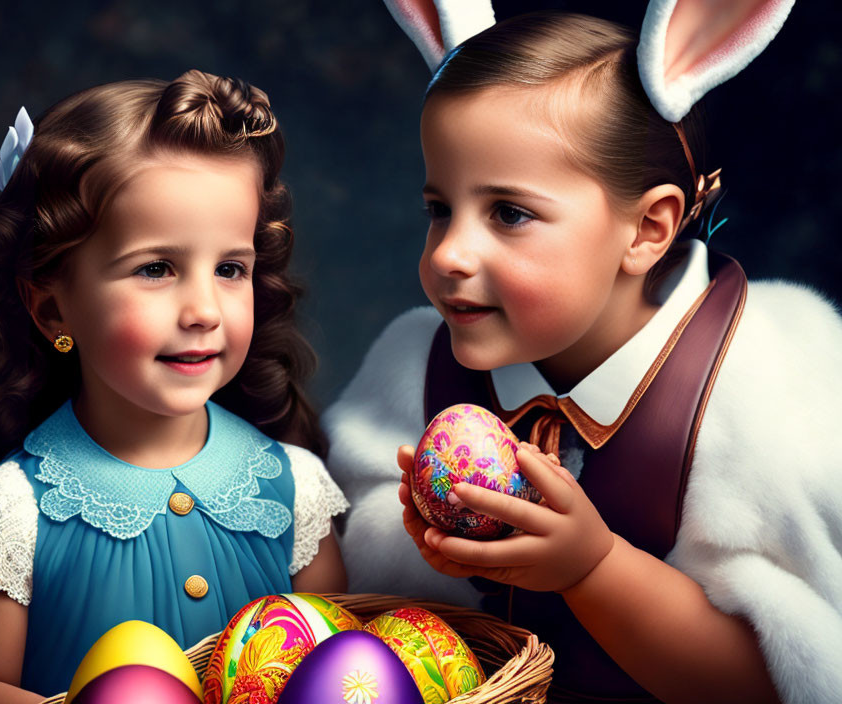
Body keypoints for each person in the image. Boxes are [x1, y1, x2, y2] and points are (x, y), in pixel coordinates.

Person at [323, 3, 842, 703]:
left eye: (509, 213)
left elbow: (791, 674)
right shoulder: (415, 370)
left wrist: (591, 569)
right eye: (439, 208)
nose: (447, 253)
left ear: (647, 230)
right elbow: (350, 608)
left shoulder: (756, 398)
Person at [0, 69, 348, 703]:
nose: (204, 311)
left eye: (229, 268)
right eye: (157, 268)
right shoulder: (16, 509)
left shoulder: (293, 488)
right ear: (53, 310)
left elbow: (344, 665)